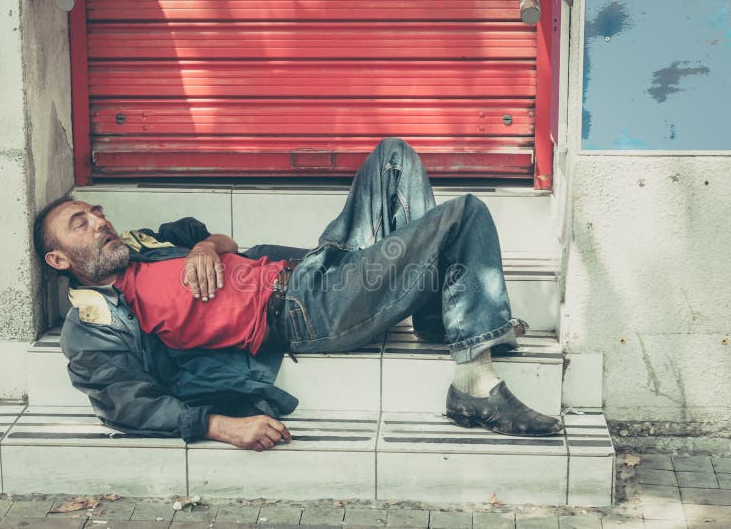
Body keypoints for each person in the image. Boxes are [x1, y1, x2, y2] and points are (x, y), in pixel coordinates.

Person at [34, 138, 563, 451]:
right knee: (464, 213)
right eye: (80, 224)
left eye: (95, 211)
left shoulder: (148, 244)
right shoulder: (94, 325)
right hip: (306, 312)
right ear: (59, 260)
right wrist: (223, 427)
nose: (100, 222)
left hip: (312, 266)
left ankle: (436, 317)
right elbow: (126, 405)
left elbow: (221, 238)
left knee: (393, 156)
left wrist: (204, 248)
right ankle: (473, 380)